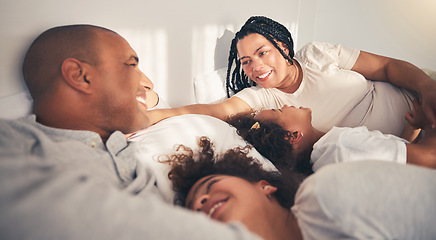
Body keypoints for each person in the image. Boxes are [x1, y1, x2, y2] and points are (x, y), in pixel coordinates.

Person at [0, 25, 261, 240]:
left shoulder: (123, 150)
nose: (146, 82)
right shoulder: (13, 143)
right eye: (131, 65)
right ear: (80, 76)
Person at [147, 15, 436, 138]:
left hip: (418, 95)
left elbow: (387, 67)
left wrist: (427, 88)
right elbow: (216, 110)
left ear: (283, 47)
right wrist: (156, 116)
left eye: (262, 53)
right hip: (403, 145)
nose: (255, 67)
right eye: (245, 62)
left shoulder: (316, 54)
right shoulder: (262, 97)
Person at [166, 137, 436, 240]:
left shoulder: (325, 196)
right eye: (195, 209)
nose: (201, 202)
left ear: (264, 186)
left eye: (209, 186)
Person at [227, 99, 436, 174]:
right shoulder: (344, 146)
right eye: (278, 110)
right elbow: (428, 160)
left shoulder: (327, 159)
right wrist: (430, 123)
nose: (284, 105)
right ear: (292, 137)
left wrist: (413, 126)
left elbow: (400, 161)